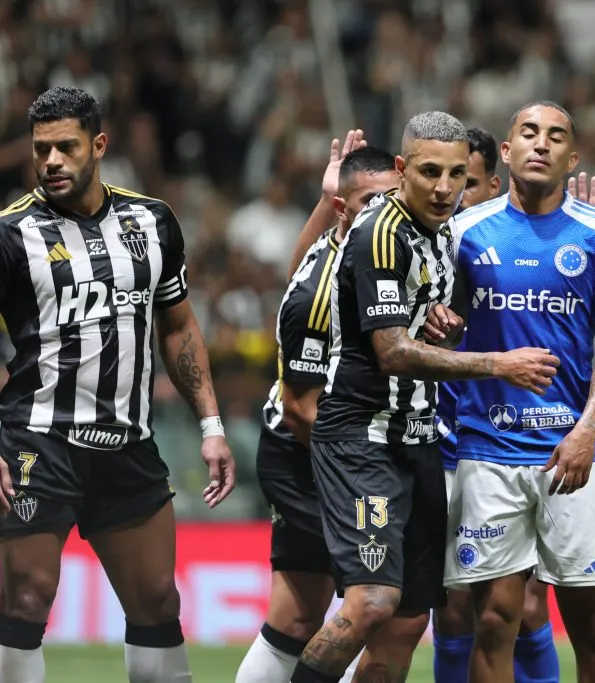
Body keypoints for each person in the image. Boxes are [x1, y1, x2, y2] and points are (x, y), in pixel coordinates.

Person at [0, 86, 235, 683]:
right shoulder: (4, 234)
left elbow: (178, 326)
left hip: (127, 442)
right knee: (27, 599)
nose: (51, 161)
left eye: (65, 147)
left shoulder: (152, 221)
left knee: (158, 603)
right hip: (39, 444)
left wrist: (211, 426)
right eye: (40, 149)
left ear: (98, 145)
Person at [289, 111, 561, 683]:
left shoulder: (441, 233)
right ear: (401, 168)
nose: (444, 188)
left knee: (412, 620)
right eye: (430, 172)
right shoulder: (380, 231)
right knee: (371, 602)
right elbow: (390, 352)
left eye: (457, 175)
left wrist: (447, 329)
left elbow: (426, 331)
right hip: (362, 438)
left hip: (417, 443)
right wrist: (497, 365)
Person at [435, 101, 595, 683]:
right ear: (506, 150)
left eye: (555, 136)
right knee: (496, 619)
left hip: (569, 452)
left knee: (591, 628)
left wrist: (587, 431)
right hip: (486, 451)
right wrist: (442, 325)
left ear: (572, 157)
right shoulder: (463, 231)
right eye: (528, 132)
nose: (540, 143)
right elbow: (437, 321)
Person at [236, 139, 404, 683]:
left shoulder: (380, 252)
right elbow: (299, 408)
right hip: (309, 449)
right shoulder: (322, 283)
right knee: (366, 605)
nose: (385, 215)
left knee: (302, 615)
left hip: (341, 446)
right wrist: (364, 468)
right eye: (370, 202)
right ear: (345, 212)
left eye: (392, 201)